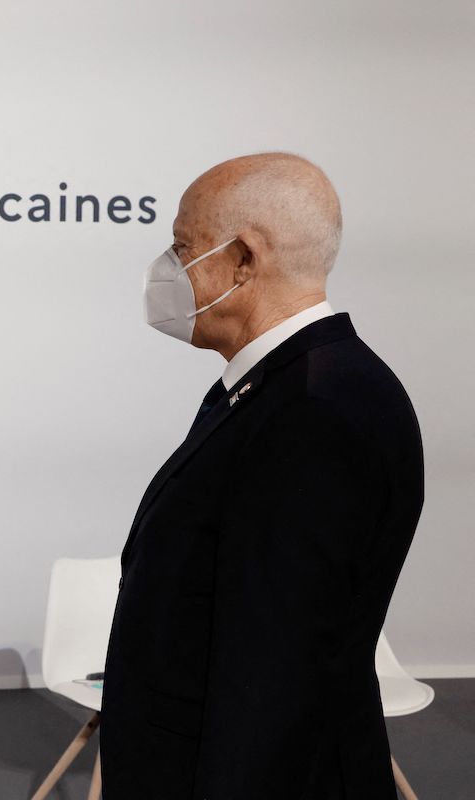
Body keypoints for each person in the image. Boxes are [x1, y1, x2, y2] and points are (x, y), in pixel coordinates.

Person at [101, 153, 423, 799]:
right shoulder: (282, 387)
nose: (169, 268)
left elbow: (275, 668)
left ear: (244, 258)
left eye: (182, 246)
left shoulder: (314, 409)